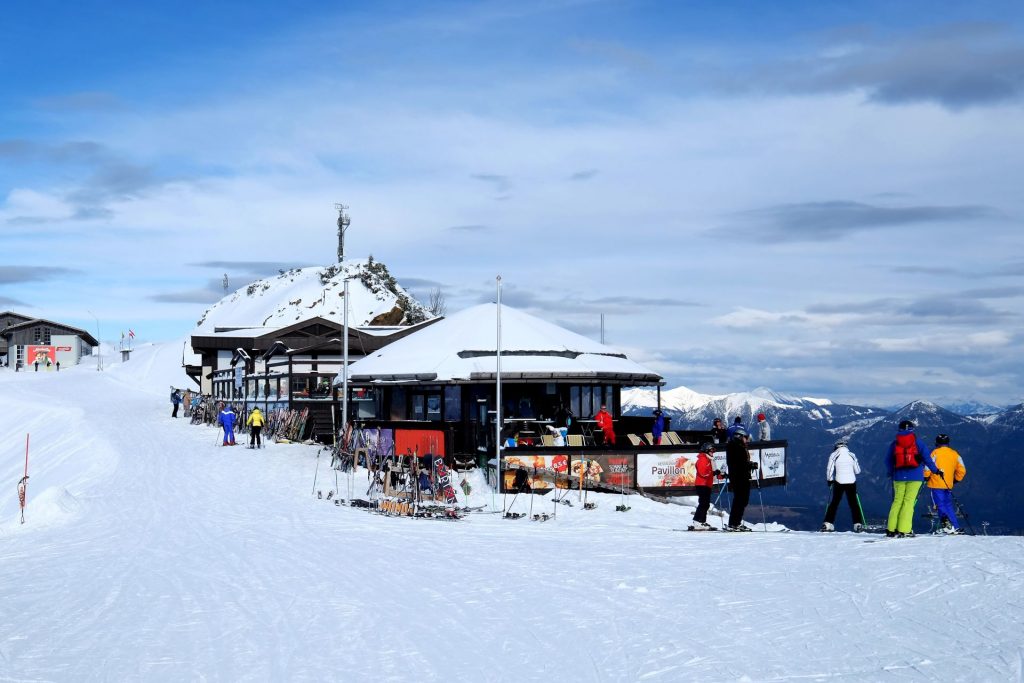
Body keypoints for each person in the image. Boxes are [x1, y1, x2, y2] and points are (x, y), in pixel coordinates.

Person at [886, 419, 940, 538]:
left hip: (898, 476)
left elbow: (888, 460)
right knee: (908, 503)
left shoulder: (895, 444)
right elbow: (927, 459)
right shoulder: (919, 443)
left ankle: (891, 529)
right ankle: (904, 529)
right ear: (912, 430)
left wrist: (890, 472)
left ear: (899, 430)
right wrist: (936, 471)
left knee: (897, 501)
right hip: (915, 477)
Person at [925, 434, 967, 534]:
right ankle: (955, 526)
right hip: (948, 483)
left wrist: (926, 476)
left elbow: (928, 466)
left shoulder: (935, 453)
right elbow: (962, 470)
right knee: (948, 505)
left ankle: (947, 527)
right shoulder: (955, 454)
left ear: (937, 443)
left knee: (940, 505)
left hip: (936, 483)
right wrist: (956, 480)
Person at [821, 437, 865, 532]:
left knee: (834, 503)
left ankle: (828, 524)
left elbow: (829, 469)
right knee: (854, 504)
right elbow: (858, 471)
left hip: (839, 482)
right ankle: (857, 524)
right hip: (851, 482)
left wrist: (830, 480)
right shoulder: (852, 455)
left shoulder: (834, 455)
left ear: (836, 446)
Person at [725, 426, 755, 531]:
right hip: (740, 478)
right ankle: (734, 524)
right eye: (745, 437)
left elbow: (740, 463)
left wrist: (748, 464)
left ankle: (735, 523)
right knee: (740, 501)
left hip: (740, 477)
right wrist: (749, 465)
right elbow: (739, 464)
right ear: (740, 437)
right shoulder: (736, 448)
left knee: (742, 500)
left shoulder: (736, 447)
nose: (746, 439)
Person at [691, 442, 720, 530]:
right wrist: (714, 473)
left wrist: (721, 475)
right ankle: (697, 521)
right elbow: (703, 473)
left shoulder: (708, 459)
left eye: (713, 451)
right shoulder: (702, 459)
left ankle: (702, 521)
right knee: (703, 503)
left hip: (707, 484)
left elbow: (711, 472)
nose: (713, 452)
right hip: (701, 484)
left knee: (706, 504)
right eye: (711, 450)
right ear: (706, 450)